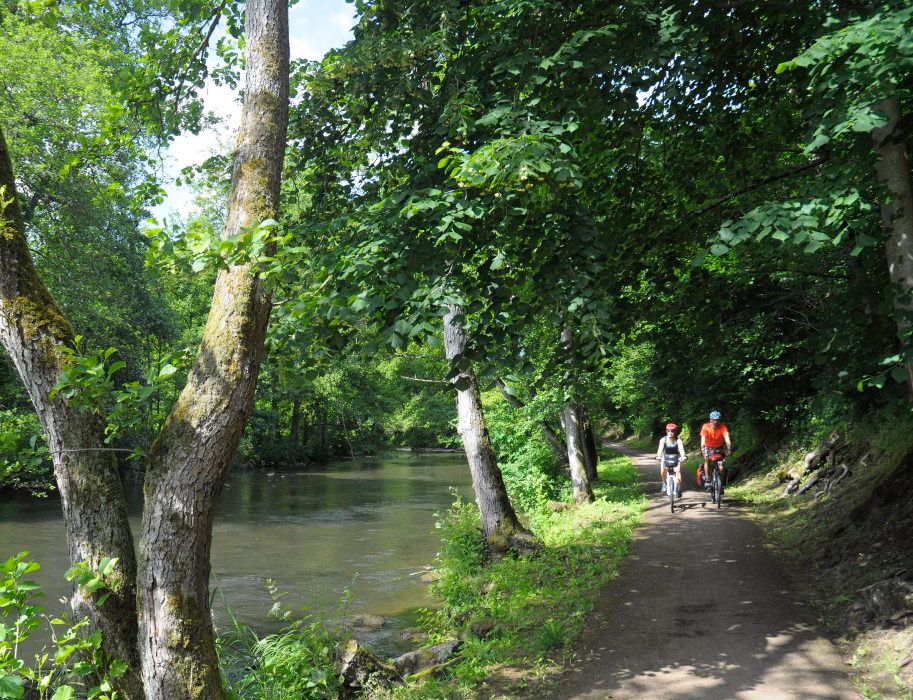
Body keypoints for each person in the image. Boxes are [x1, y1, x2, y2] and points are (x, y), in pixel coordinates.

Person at [699, 410, 731, 487]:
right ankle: (707, 478)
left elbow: (727, 439)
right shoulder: (705, 426)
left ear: (719, 420)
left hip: (719, 448)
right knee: (707, 459)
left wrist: (729, 449)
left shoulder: (723, 427)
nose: (715, 421)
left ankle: (722, 484)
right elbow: (703, 440)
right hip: (708, 447)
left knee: (722, 467)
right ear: (710, 420)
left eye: (717, 420)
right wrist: (703, 450)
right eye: (713, 419)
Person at [656, 422, 686, 498]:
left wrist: (683, 456)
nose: (670, 433)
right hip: (665, 457)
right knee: (663, 471)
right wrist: (658, 456)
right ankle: (664, 483)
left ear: (675, 432)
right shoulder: (663, 440)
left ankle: (678, 488)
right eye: (668, 431)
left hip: (676, 457)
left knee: (678, 471)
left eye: (672, 431)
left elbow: (681, 450)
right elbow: (660, 449)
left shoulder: (678, 440)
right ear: (666, 431)